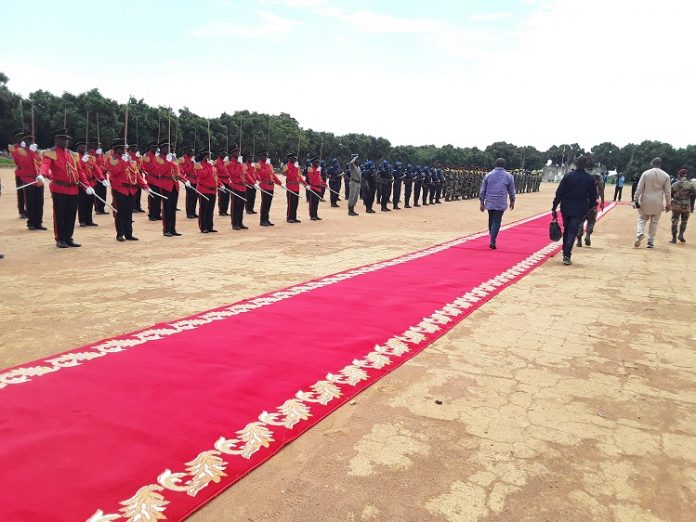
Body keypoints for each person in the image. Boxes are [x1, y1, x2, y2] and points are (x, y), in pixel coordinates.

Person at [39, 128, 91, 248]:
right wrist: (42, 174)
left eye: (67, 139)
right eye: (63, 139)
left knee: (71, 214)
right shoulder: (51, 153)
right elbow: (45, 165)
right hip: (59, 188)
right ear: (56, 140)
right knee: (60, 215)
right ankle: (60, 238)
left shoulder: (72, 155)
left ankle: (68, 237)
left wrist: (87, 185)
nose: (66, 141)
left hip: (73, 189)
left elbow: (80, 172)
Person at [551, 155, 598, 265]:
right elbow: (592, 195)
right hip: (580, 208)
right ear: (586, 165)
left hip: (566, 206)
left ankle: (565, 251)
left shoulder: (568, 176)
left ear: (576, 164)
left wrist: (554, 206)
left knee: (567, 229)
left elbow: (559, 193)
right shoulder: (589, 179)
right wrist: (592, 206)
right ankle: (567, 254)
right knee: (572, 231)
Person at [104, 138, 149, 241]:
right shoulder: (112, 160)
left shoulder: (129, 160)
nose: (123, 151)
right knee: (120, 212)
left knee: (129, 213)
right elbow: (114, 172)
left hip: (132, 190)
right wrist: (123, 162)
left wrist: (145, 185)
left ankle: (129, 233)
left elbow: (136, 174)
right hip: (120, 189)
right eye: (121, 149)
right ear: (115, 150)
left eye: (124, 149)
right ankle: (120, 233)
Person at [633, 157, 671, 248]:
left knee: (642, 219)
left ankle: (639, 234)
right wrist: (668, 204)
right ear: (660, 165)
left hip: (645, 200)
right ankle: (650, 242)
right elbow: (668, 192)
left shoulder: (646, 173)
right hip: (658, 202)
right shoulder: (666, 176)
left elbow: (640, 187)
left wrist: (635, 198)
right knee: (654, 222)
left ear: (651, 163)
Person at [11, 131, 45, 230]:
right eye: (28, 140)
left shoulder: (37, 152)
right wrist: (30, 152)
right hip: (28, 179)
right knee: (30, 202)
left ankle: (39, 222)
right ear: (24, 141)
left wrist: (44, 175)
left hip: (38, 179)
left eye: (31, 140)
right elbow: (22, 163)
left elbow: (41, 164)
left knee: (39, 202)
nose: (30, 141)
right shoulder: (21, 151)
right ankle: (31, 223)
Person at [479, 158, 516, 250]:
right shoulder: (509, 176)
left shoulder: (488, 175)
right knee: (497, 221)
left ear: (495, 164)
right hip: (500, 201)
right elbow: (511, 190)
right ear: (504, 165)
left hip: (490, 201)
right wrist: (512, 200)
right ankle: (492, 240)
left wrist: (481, 203)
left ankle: (492, 237)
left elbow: (482, 190)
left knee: (491, 219)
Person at [156, 140, 185, 237]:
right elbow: (161, 171)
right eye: (166, 148)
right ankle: (166, 229)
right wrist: (168, 162)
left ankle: (173, 228)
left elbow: (178, 172)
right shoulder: (159, 159)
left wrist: (185, 180)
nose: (168, 150)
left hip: (174, 185)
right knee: (166, 208)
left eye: (168, 148)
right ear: (161, 149)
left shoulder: (173, 159)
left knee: (173, 208)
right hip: (165, 185)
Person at [75, 140, 105, 227]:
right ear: (78, 148)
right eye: (82, 147)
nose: (83, 149)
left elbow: (96, 168)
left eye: (84, 147)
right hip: (81, 184)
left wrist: (102, 178)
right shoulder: (76, 157)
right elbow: (77, 169)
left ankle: (89, 219)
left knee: (90, 202)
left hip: (91, 183)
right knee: (82, 203)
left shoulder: (90, 157)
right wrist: (82, 161)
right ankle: (82, 220)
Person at [576, 169, 605, 247]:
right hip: (592, 203)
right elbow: (601, 188)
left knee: (580, 221)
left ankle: (579, 240)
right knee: (591, 220)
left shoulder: (580, 174)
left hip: (581, 202)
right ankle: (588, 234)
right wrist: (602, 201)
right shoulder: (597, 175)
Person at [669, 169, 696, 243]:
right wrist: (692, 206)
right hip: (686, 205)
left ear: (679, 175)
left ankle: (674, 238)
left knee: (675, 220)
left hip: (676, 205)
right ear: (686, 175)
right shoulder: (691, 184)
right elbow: (693, 195)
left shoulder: (674, 184)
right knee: (684, 221)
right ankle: (681, 235)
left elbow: (670, 194)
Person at [194, 150, 218, 233]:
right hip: (203, 189)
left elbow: (214, 176)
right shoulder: (198, 164)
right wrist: (209, 169)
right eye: (207, 156)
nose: (208, 157)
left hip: (212, 190)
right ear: (204, 156)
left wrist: (219, 184)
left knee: (210, 209)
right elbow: (200, 175)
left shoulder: (210, 165)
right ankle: (203, 227)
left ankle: (210, 226)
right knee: (203, 209)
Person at [256, 151, 282, 226]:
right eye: (264, 156)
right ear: (260, 156)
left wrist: (280, 183)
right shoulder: (258, 164)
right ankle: (262, 220)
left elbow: (273, 175)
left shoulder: (268, 165)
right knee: (264, 204)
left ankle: (266, 219)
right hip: (264, 186)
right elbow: (262, 174)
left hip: (271, 186)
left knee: (268, 204)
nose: (265, 157)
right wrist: (268, 167)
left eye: (266, 156)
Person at [8, 129, 28, 218]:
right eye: (19, 137)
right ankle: (21, 210)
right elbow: (17, 159)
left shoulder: (26, 146)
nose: (21, 138)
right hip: (20, 172)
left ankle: (28, 209)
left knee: (28, 192)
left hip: (28, 172)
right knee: (20, 192)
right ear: (15, 138)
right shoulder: (13, 148)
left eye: (22, 137)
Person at [141, 142, 162, 221]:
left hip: (159, 179)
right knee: (153, 197)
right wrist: (154, 160)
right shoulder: (146, 156)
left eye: (156, 147)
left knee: (159, 197)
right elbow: (147, 168)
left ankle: (157, 213)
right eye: (153, 147)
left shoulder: (158, 155)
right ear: (150, 147)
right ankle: (151, 214)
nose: (155, 149)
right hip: (152, 179)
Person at [283, 153, 306, 223]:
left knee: (295, 203)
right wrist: (296, 169)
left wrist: (305, 184)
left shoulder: (296, 166)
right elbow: (290, 175)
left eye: (295, 158)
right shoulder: (286, 166)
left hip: (296, 187)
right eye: (293, 158)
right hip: (290, 187)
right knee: (290, 203)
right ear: (289, 159)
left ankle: (294, 216)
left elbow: (299, 177)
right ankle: (289, 217)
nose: (295, 160)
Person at [180, 146, 198, 218]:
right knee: (190, 197)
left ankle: (193, 211)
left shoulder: (192, 159)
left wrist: (195, 163)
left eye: (192, 151)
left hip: (195, 180)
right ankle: (189, 212)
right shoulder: (183, 159)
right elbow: (186, 170)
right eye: (190, 151)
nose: (191, 152)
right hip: (189, 180)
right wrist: (192, 164)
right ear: (186, 151)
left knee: (195, 197)